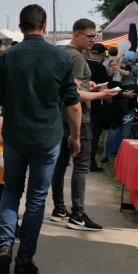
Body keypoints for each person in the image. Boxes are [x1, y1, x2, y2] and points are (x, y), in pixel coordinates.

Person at [0, 4, 80, 274]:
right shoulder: (60, 58)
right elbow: (73, 105)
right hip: (47, 139)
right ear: (45, 26)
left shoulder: (6, 58)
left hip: (14, 138)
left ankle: (5, 245)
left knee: (11, 191)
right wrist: (74, 136)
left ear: (21, 26)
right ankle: (24, 261)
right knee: (37, 198)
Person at [49, 19, 120, 231]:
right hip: (77, 119)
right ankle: (78, 215)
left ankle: (59, 209)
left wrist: (89, 85)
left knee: (61, 164)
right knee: (81, 166)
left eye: (95, 36)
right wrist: (101, 93)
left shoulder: (62, 53)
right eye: (90, 36)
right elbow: (74, 95)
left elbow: (68, 86)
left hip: (59, 118)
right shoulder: (78, 57)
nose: (93, 40)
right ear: (77, 35)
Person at [86, 42, 111, 171]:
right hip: (96, 106)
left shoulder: (84, 64)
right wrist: (112, 102)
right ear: (102, 54)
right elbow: (104, 89)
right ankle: (91, 163)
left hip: (82, 104)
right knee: (94, 136)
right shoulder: (100, 68)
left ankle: (83, 161)